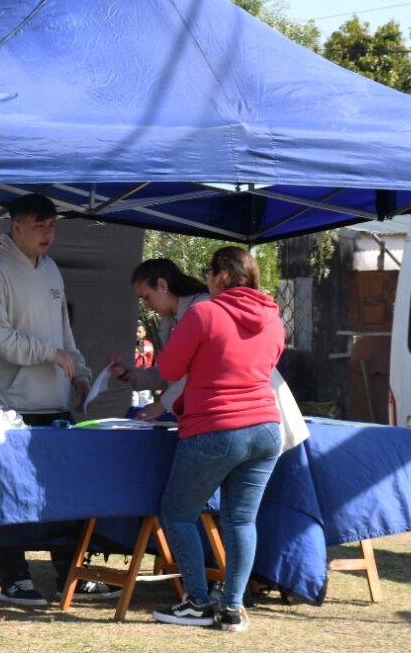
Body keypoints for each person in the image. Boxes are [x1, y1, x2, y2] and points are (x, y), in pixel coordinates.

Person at [148, 247, 283, 632]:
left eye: (208, 270)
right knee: (241, 520)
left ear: (223, 274)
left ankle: (197, 601)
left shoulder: (204, 313)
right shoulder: (274, 319)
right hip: (266, 428)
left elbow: (169, 368)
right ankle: (232, 608)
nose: (204, 277)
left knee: (178, 513)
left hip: (217, 426)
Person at [0, 193, 117, 606]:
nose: (48, 233)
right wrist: (49, 354)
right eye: (39, 225)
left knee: (63, 493)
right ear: (16, 226)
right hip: (12, 405)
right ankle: (14, 577)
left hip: (56, 403)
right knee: (12, 493)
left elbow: (65, 334)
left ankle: (73, 575)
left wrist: (80, 375)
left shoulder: (50, 268)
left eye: (52, 225)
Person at [109, 259, 210, 420]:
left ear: (162, 285)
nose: (146, 305)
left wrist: (161, 405)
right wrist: (129, 374)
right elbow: (170, 373)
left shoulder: (202, 309)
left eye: (147, 297)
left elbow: (200, 372)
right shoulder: (170, 320)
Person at [131, 322, 154, 407]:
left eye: (139, 331)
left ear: (145, 333)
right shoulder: (130, 345)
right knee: (134, 401)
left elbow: (151, 360)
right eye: (136, 332)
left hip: (146, 375)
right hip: (133, 375)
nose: (137, 334)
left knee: (146, 400)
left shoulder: (149, 345)